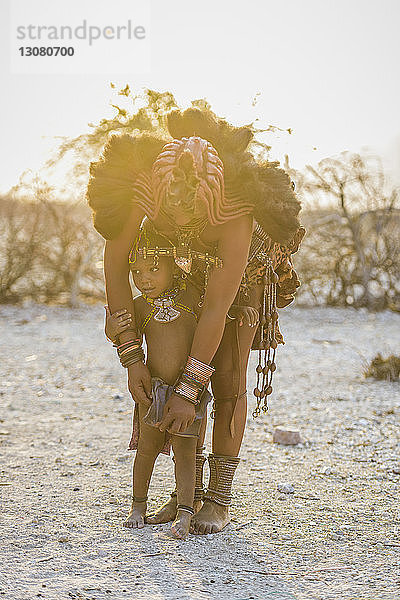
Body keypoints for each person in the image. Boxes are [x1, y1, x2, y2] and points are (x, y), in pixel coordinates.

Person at [87, 107, 304, 535]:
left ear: (212, 196)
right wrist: (131, 357)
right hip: (185, 271)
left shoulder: (236, 213)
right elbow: (115, 264)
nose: (181, 211)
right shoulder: (145, 194)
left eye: (192, 204)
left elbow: (216, 308)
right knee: (173, 362)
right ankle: (186, 494)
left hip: (242, 285)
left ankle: (218, 498)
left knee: (224, 377)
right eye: (172, 204)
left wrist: (188, 389)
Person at [104, 228, 258, 539]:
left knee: (185, 453)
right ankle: (138, 505)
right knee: (146, 450)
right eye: (136, 272)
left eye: (153, 269)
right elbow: (122, 332)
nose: (144, 279)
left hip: (189, 391)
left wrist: (238, 308)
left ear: (175, 266)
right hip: (154, 393)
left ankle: (187, 509)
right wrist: (111, 329)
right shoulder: (141, 305)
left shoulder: (191, 298)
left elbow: (217, 312)